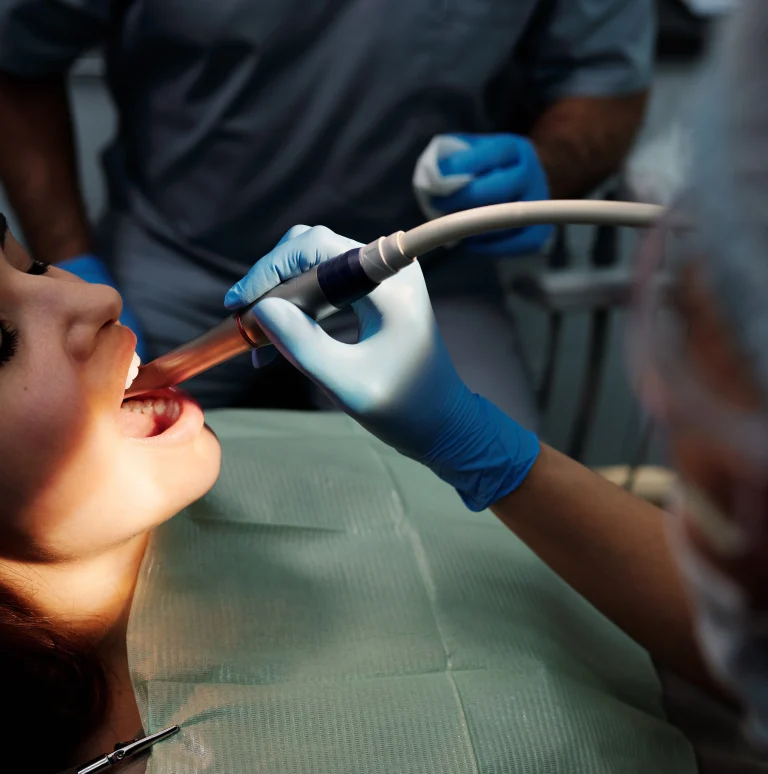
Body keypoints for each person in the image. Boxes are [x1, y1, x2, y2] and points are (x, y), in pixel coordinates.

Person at [0, 0, 652, 418]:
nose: (90, 309)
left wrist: (547, 165)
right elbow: (16, 57)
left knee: (485, 525)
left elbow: (606, 85)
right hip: (175, 253)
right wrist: (76, 262)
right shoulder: (101, 302)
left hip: (427, 271)